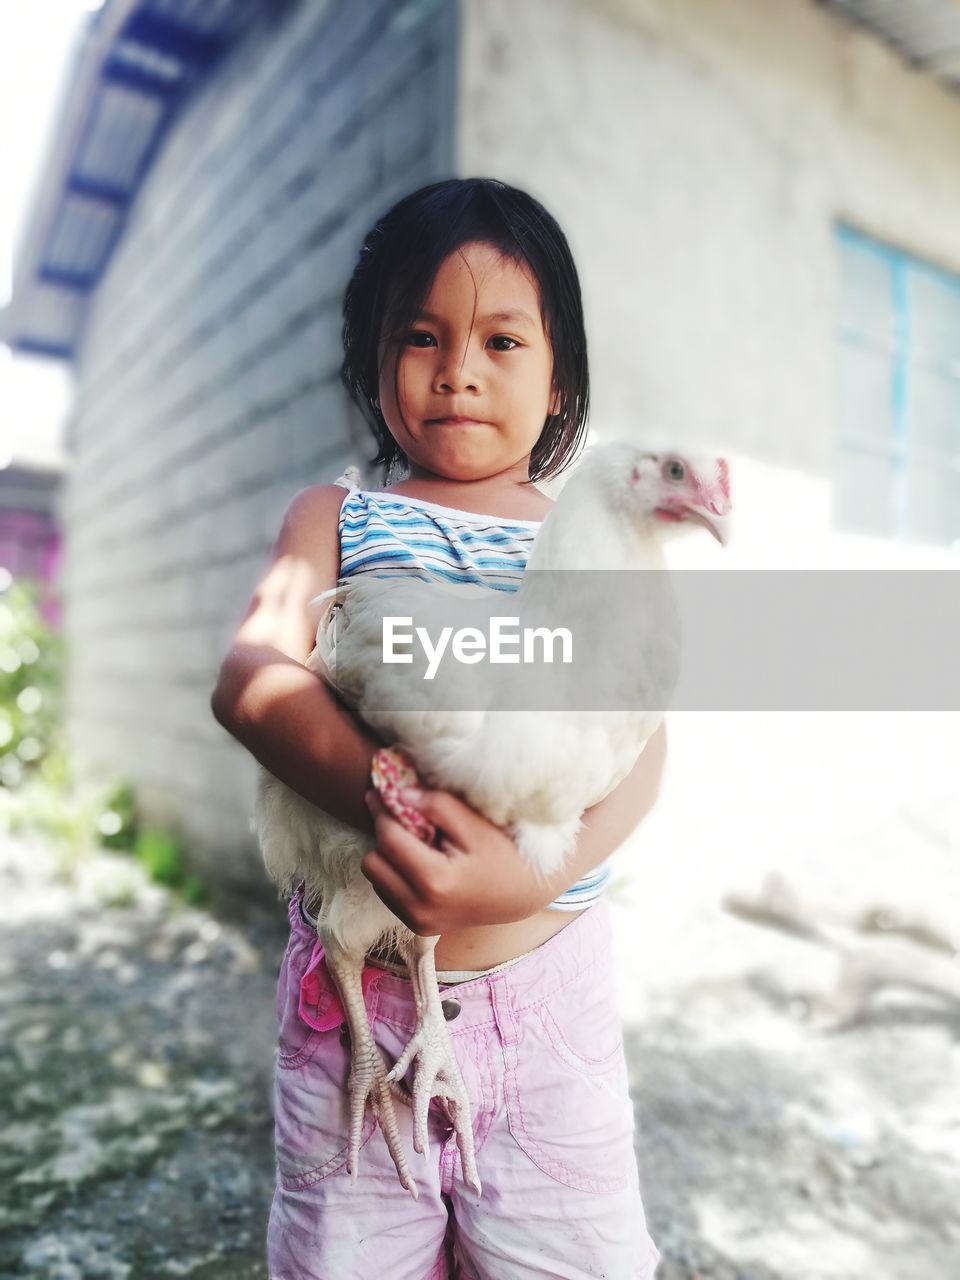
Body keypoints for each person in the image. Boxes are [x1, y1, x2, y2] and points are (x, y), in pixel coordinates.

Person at [211, 177, 665, 1280]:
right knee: (346, 1255)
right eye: (422, 335)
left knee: (568, 1254)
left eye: (502, 339)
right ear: (375, 359)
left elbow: (643, 750)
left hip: (546, 989)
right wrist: (388, 790)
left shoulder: (581, 544)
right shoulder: (338, 518)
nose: (459, 367)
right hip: (358, 993)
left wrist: (516, 879)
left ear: (561, 383)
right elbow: (251, 676)